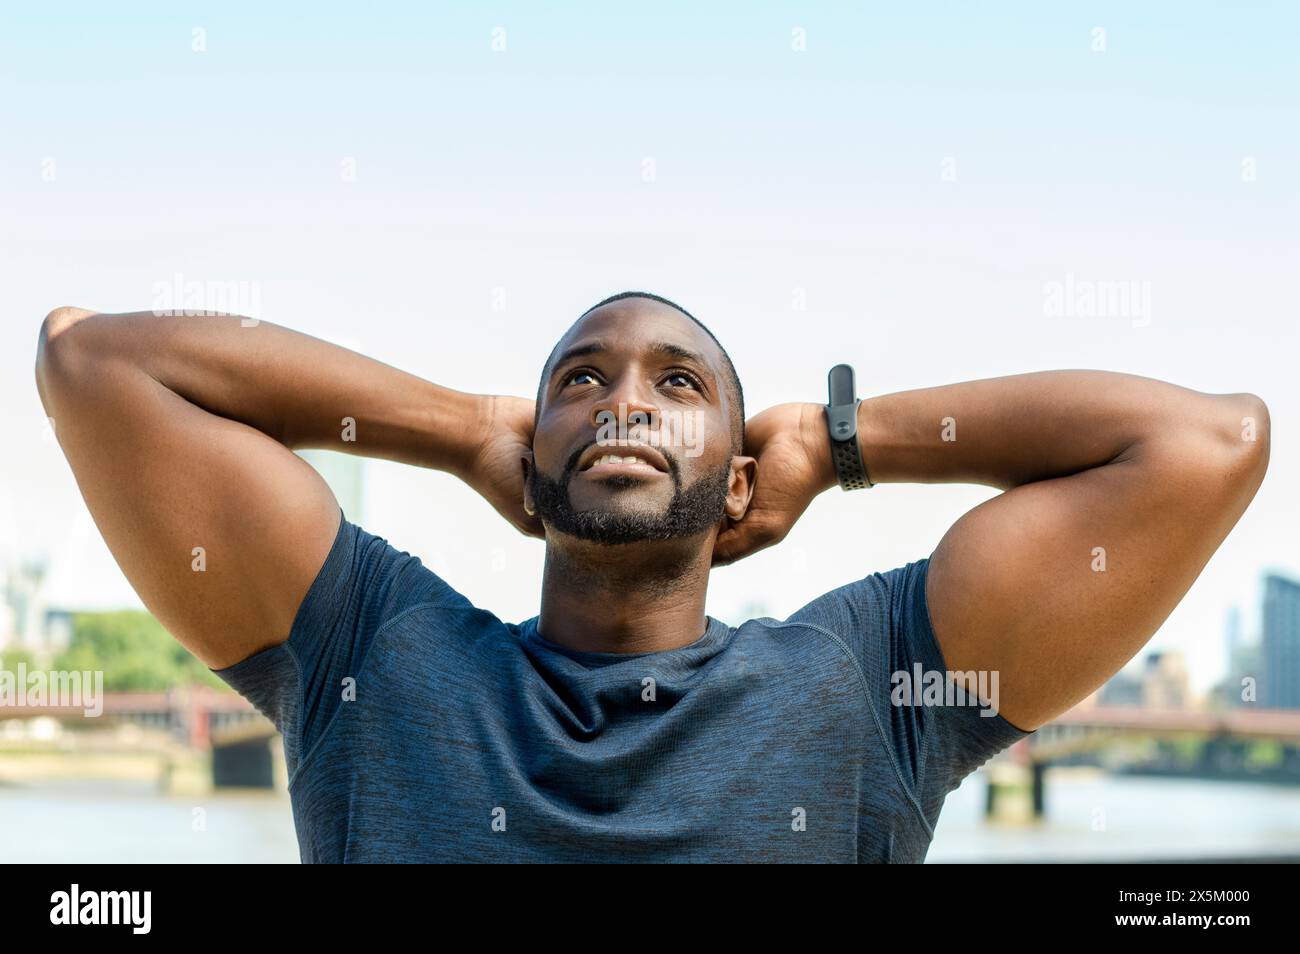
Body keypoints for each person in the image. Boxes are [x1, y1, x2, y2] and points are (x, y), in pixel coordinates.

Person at [34, 291, 1270, 862]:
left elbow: (1206, 443)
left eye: (679, 385)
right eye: (580, 381)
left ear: (736, 479)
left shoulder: (867, 685)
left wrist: (844, 439)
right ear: (533, 459)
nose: (624, 400)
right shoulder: (370, 652)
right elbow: (92, 361)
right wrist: (460, 426)